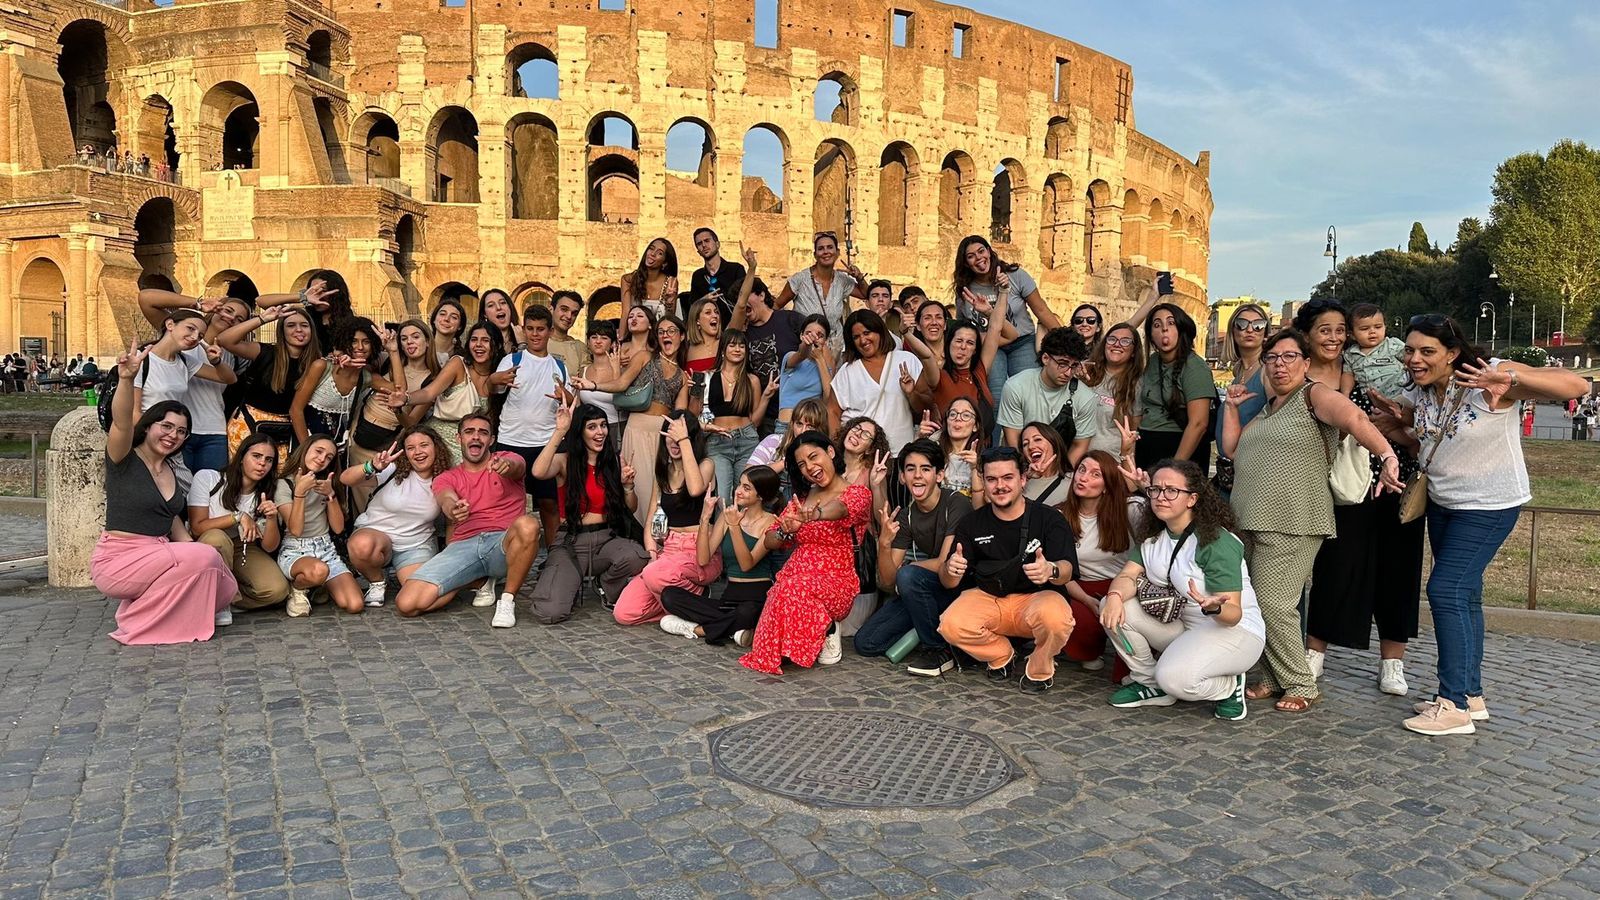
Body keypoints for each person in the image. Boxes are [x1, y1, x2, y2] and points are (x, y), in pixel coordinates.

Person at [1367, 315, 1588, 735]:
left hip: (1488, 507)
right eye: (1410, 350)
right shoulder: (1423, 392)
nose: (1414, 358)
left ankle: (1452, 706)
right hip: (1445, 504)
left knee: (1445, 589)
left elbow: (1577, 386)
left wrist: (1509, 376)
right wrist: (1402, 427)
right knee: (1465, 596)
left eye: (1427, 351)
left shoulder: (1489, 380)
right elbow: (1434, 441)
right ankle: (1469, 694)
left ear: (1452, 353)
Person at [1221, 328, 1404, 713]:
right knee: (1258, 602)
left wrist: (1387, 455)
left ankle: (1301, 681)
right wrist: (1234, 409)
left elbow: (1354, 418)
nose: (1279, 365)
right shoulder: (1271, 408)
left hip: (1293, 520)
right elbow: (1233, 449)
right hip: (1252, 518)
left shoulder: (1314, 395)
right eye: (1272, 358)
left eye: (1289, 357)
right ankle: (1272, 677)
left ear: (1306, 363)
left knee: (1274, 603)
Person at [1098, 459, 1264, 721]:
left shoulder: (1215, 542)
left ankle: (1228, 687)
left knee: (1174, 679)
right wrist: (1116, 596)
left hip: (1235, 633)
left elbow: (1234, 614)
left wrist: (1214, 607)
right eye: (1155, 490)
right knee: (1112, 605)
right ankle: (1150, 683)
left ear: (1192, 499)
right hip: (1185, 627)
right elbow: (1128, 574)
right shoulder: (1153, 537)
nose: (1161, 497)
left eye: (1171, 491)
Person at [92, 349, 235, 643]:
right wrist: (127, 378)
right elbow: (120, 423)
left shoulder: (174, 471)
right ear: (149, 426)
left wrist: (206, 563)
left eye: (182, 432)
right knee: (206, 558)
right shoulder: (124, 458)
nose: (174, 435)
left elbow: (178, 531)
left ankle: (164, 606)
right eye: (166, 426)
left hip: (158, 554)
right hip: (119, 559)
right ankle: (135, 617)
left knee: (215, 570)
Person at [938, 446, 1079, 692]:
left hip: (1037, 598)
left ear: (1023, 479)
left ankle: (1040, 667)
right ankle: (1002, 655)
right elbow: (947, 582)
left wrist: (1051, 570)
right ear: (983, 480)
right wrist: (950, 569)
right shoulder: (972, 522)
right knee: (951, 623)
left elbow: (1068, 569)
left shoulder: (1049, 518)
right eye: (991, 479)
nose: (999, 486)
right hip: (990, 598)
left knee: (1057, 618)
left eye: (1007, 478)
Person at [739, 431, 872, 675]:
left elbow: (842, 509)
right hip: (793, 577)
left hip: (836, 581)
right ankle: (816, 631)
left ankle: (828, 626)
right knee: (781, 591)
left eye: (814, 457)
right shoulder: (800, 499)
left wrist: (815, 515)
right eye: (802, 464)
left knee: (793, 588)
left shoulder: (857, 493)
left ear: (831, 452)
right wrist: (786, 532)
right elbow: (769, 541)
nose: (810, 467)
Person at [393, 413, 544, 624]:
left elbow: (515, 466)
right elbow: (445, 497)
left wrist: (505, 466)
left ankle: (507, 601)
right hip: (464, 546)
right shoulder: (447, 476)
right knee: (407, 604)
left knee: (529, 525)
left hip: (503, 544)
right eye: (469, 432)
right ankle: (478, 581)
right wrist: (454, 508)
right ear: (459, 438)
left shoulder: (507, 458)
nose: (476, 437)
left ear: (491, 440)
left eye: (483, 433)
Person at [854, 440, 973, 676]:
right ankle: (929, 626)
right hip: (925, 589)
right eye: (910, 469)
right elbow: (887, 581)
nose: (917, 476)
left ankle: (938, 649)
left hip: (960, 587)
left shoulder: (956, 502)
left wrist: (908, 568)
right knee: (865, 643)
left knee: (909, 575)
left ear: (939, 475)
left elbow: (942, 562)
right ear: (902, 477)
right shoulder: (906, 515)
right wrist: (885, 544)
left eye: (926, 469)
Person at [527, 401, 649, 623]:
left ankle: (605, 584)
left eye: (603, 425)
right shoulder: (565, 462)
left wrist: (628, 486)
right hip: (572, 542)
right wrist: (560, 431)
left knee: (636, 556)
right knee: (550, 613)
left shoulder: (611, 462)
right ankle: (563, 581)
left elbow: (630, 508)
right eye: (592, 427)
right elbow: (538, 470)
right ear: (580, 431)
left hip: (606, 539)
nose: (600, 432)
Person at [566, 306, 688, 527]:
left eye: (671, 331)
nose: (665, 336)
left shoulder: (681, 375)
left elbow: (680, 415)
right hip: (637, 428)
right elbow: (621, 384)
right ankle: (638, 540)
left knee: (660, 486)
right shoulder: (644, 357)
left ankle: (658, 539)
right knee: (638, 486)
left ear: (682, 336)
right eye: (661, 332)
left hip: (662, 434)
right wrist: (592, 385)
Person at [613, 413, 719, 625]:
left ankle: (698, 595)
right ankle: (681, 609)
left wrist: (683, 440)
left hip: (699, 550)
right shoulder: (663, 472)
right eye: (669, 435)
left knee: (654, 575)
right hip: (668, 552)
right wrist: (651, 552)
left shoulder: (707, 465)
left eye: (679, 435)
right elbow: (652, 515)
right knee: (624, 613)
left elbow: (696, 488)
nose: (674, 441)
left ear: (691, 439)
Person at [137, 288, 256, 471]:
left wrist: (216, 361)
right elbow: (146, 298)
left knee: (211, 492)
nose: (231, 318)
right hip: (179, 431)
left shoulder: (233, 353)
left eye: (240, 319)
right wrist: (198, 304)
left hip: (213, 429)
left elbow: (229, 379)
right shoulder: (182, 339)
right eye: (228, 310)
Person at [659, 466, 780, 646]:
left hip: (755, 596)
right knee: (669, 595)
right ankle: (737, 630)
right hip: (729, 598)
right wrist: (705, 517)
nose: (738, 491)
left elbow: (747, 564)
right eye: (739, 485)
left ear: (760, 496)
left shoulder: (771, 522)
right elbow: (703, 559)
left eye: (746, 488)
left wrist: (735, 527)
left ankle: (698, 630)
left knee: (747, 612)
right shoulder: (726, 516)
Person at [340, 426, 451, 608]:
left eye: (424, 445)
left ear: (436, 447)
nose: (418, 452)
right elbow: (345, 479)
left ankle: (465, 580)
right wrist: (372, 466)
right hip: (376, 534)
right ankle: (377, 580)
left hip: (415, 544)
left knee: (419, 595)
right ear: (404, 452)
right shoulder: (393, 469)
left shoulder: (446, 479)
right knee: (361, 546)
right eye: (411, 448)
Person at [1058, 450, 1147, 672]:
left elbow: (1166, 519)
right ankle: (1088, 648)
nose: (1083, 477)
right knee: (1079, 622)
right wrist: (1087, 601)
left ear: (1107, 484)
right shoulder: (1060, 516)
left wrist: (1144, 485)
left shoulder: (1130, 510)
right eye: (1081, 470)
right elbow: (1059, 572)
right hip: (1078, 587)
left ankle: (1137, 668)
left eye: (1095, 474)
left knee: (1128, 628)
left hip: (1125, 585)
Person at [952, 235, 1061, 411]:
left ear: (989, 251)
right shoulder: (965, 289)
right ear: (966, 263)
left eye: (981, 251)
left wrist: (1066, 341)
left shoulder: (1015, 275)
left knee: (1029, 394)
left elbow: (1041, 310)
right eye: (971, 256)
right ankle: (993, 439)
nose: (979, 258)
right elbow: (963, 326)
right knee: (994, 396)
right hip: (991, 345)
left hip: (1022, 341)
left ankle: (1030, 437)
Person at [491, 305, 569, 548]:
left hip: (544, 445)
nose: (536, 334)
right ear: (524, 330)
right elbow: (491, 386)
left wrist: (564, 394)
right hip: (511, 441)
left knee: (549, 503)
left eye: (541, 329)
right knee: (505, 504)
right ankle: (505, 553)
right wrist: (497, 379)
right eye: (531, 329)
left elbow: (570, 401)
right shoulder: (511, 360)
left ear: (550, 331)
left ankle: (555, 554)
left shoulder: (560, 367)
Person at [189, 434, 290, 613]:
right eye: (256, 456)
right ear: (242, 457)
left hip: (241, 546)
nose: (262, 464)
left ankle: (224, 599)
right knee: (217, 538)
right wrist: (238, 517)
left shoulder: (267, 492)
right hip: (208, 541)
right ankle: (219, 605)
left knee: (277, 590)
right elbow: (197, 527)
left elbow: (268, 547)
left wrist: (272, 518)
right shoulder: (209, 478)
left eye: (268, 460)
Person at [218, 302, 324, 461]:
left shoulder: (316, 363)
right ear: (282, 330)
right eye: (291, 325)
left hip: (285, 432)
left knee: (278, 482)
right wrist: (262, 319)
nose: (299, 330)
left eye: (304, 325)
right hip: (249, 425)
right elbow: (225, 340)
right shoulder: (266, 352)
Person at [273, 435, 362, 616]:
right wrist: (300, 493)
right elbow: (296, 530)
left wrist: (331, 495)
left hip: (325, 549)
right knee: (318, 571)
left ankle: (317, 585)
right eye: (319, 451)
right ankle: (298, 588)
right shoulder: (284, 483)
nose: (322, 459)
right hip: (295, 550)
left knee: (355, 604)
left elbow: (338, 528)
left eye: (329, 457)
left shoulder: (326, 482)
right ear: (305, 450)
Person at [830, 309, 931, 455]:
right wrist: (838, 448)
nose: (863, 340)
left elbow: (925, 405)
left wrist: (911, 393)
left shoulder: (906, 360)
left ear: (880, 331)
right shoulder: (847, 371)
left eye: (867, 333)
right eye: (856, 337)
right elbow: (832, 411)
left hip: (900, 452)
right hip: (859, 456)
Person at [401, 320, 505, 453]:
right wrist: (406, 398)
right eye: (474, 339)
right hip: (438, 442)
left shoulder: (499, 374)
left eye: (485, 340)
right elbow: (429, 393)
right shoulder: (458, 364)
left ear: (497, 345)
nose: (478, 345)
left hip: (470, 448)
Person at [997, 327, 1098, 459]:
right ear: (1045, 358)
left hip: (1060, 466)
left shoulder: (1086, 397)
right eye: (1062, 364)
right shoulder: (1016, 386)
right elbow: (1013, 440)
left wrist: (1061, 476)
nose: (1068, 373)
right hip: (1019, 461)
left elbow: (1079, 446)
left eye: (1074, 366)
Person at [1137, 303, 1214, 471]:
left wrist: (1174, 467)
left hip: (1177, 449)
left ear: (1181, 328)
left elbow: (1199, 423)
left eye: (1171, 323)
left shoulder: (1194, 367)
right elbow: (1121, 336)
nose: (1164, 329)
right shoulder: (1152, 362)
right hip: (1146, 446)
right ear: (1151, 335)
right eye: (1157, 325)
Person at [703, 329, 776, 504]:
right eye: (732, 345)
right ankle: (724, 531)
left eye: (742, 346)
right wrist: (696, 391)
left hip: (747, 439)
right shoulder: (708, 376)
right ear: (723, 349)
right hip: (717, 441)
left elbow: (756, 421)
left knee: (747, 497)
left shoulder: (752, 380)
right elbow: (695, 413)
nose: (738, 349)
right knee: (722, 498)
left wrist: (766, 396)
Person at [730, 251, 802, 420]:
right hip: (766, 415)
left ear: (762, 295)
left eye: (748, 295)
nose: (741, 302)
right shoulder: (743, 334)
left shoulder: (790, 319)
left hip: (798, 411)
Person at [775, 232, 867, 356]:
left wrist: (859, 277)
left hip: (834, 349)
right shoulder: (800, 280)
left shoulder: (842, 280)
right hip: (806, 348)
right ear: (815, 255)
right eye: (820, 248)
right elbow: (777, 305)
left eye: (830, 247)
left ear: (837, 252)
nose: (825, 252)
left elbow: (865, 294)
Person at [1209, 304, 1269, 495]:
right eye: (1242, 324)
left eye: (1258, 324)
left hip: (1252, 474)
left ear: (1266, 331)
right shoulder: (1239, 372)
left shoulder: (1267, 370)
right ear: (1232, 331)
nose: (1250, 329)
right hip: (1228, 474)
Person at [289, 318, 379, 444]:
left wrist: (393, 350)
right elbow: (295, 410)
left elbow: (401, 392)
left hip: (337, 448)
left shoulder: (367, 377)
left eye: (366, 341)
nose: (360, 347)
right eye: (353, 341)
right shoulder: (322, 366)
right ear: (344, 342)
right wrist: (306, 449)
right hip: (307, 441)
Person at [1081, 322, 1145, 460]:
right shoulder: (1085, 370)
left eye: (1125, 341)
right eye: (1112, 339)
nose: (1117, 344)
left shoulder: (1136, 385)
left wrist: (1128, 466)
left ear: (1134, 351)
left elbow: (1133, 432)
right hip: (1076, 455)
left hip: (1110, 460)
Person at [775, 315, 834, 433]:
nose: (814, 338)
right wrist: (806, 345)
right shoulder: (791, 357)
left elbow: (828, 399)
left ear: (825, 341)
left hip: (810, 429)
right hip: (786, 426)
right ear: (802, 336)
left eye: (820, 335)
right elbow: (802, 354)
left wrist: (820, 359)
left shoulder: (825, 368)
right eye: (809, 334)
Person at [1344, 303, 1407, 398]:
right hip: (1370, 402)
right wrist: (1345, 394)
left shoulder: (1392, 345)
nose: (1372, 331)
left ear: (1385, 327)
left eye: (1378, 327)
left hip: (1399, 396)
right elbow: (1348, 374)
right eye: (1365, 328)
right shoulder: (1351, 354)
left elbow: (1413, 358)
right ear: (1352, 334)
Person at [687, 227, 746, 324]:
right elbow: (692, 309)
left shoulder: (736, 269)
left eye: (707, 241)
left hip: (734, 329)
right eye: (699, 243)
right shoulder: (697, 276)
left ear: (717, 244)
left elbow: (745, 298)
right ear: (698, 251)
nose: (704, 245)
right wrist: (703, 301)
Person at [621, 237, 678, 320]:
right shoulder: (628, 280)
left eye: (660, 253)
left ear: (665, 262)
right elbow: (625, 313)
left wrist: (669, 304)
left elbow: (670, 317)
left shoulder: (670, 282)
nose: (653, 254)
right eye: (651, 249)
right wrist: (622, 333)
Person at [1019, 421, 1074, 506]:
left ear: (1054, 443)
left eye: (1037, 439)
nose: (1031, 447)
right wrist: (1026, 479)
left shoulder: (1074, 480)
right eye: (1025, 444)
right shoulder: (1019, 481)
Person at [577, 320, 621, 425]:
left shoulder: (621, 369)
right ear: (588, 342)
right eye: (594, 337)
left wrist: (616, 369)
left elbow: (619, 399)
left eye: (604, 338)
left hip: (616, 427)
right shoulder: (583, 370)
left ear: (613, 344)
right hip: (590, 428)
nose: (598, 341)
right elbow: (578, 404)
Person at [547, 291, 591, 377]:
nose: (569, 316)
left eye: (574, 314)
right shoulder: (536, 341)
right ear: (551, 309)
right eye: (564, 309)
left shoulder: (579, 348)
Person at [430, 298, 466, 365]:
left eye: (454, 317)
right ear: (434, 320)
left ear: (460, 326)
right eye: (442, 314)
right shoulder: (421, 349)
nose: (446, 319)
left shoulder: (463, 358)